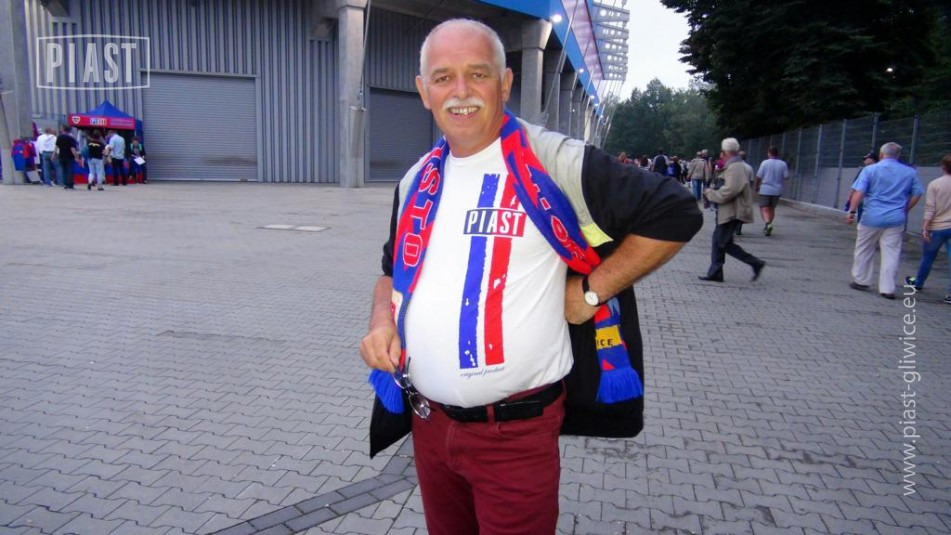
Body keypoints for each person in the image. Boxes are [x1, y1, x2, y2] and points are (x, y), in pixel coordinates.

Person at [358, 19, 702, 534]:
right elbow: (391, 274)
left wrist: (591, 292)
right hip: (429, 424)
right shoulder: (416, 180)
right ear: (424, 91)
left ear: (505, 83)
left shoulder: (553, 160)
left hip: (514, 436)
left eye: (478, 74)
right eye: (444, 77)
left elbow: (676, 212)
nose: (460, 91)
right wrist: (382, 321)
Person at [846, 142, 924, 299]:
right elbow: (917, 193)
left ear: (881, 154)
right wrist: (905, 209)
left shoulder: (870, 170)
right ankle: (888, 288)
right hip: (896, 218)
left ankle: (861, 280)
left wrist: (852, 211)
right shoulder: (909, 172)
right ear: (898, 155)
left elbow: (859, 192)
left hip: (871, 216)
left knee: (864, 248)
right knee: (891, 253)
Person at [699, 138, 766, 282]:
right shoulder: (735, 165)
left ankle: (755, 262)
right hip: (728, 210)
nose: (721, 155)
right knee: (718, 241)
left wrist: (710, 193)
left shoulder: (735, 167)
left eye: (722, 152)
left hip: (731, 211)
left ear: (726, 152)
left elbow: (731, 190)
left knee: (723, 243)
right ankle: (715, 272)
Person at [905, 154, 951, 304]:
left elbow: (930, 208)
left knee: (928, 257)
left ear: (943, 167)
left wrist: (925, 227)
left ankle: (918, 283)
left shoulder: (935, 184)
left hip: (936, 227)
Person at [754, 146, 790, 237]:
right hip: (777, 190)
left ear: (769, 153)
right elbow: (786, 176)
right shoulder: (783, 164)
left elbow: (759, 176)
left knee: (764, 208)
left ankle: (767, 223)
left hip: (765, 189)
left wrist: (756, 186)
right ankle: (769, 224)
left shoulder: (764, 163)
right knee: (771, 208)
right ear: (777, 154)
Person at [845, 150, 878, 223]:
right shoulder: (881, 170)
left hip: (865, 200)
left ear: (872, 159)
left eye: (866, 158)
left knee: (863, 222)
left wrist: (850, 197)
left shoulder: (865, 170)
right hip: (876, 202)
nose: (864, 160)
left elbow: (856, 187)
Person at [55, 125, 80, 189]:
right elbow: (72, 148)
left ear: (63, 129)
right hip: (69, 156)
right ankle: (70, 184)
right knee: (70, 170)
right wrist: (76, 156)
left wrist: (54, 154)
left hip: (61, 155)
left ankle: (65, 183)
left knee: (63, 170)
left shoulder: (59, 137)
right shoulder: (70, 138)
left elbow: (56, 147)